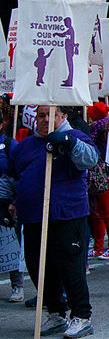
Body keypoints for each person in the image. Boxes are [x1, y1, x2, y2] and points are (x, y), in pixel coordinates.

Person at [0, 106, 98, 338]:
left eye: (50, 115)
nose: (45, 120)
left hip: (66, 215)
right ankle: (56, 313)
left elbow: (90, 160)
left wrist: (69, 142)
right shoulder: (24, 146)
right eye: (41, 115)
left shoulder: (74, 137)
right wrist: (4, 201)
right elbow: (12, 176)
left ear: (62, 116)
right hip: (32, 216)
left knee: (70, 268)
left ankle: (81, 316)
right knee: (39, 267)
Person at [86, 102, 109, 260]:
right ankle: (98, 247)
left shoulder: (104, 128)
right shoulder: (98, 128)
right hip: (96, 174)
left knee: (105, 211)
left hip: (102, 174)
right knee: (98, 212)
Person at [0, 113, 23, 302]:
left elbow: (18, 173)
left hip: (5, 202)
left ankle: (17, 285)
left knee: (10, 244)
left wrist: (14, 200)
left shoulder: (10, 145)